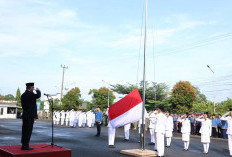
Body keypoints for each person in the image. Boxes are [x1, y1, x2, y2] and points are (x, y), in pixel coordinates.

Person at [21, 82, 41, 150]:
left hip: (25, 115)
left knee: (24, 130)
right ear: (30, 88)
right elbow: (38, 96)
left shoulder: (23, 95)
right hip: (30, 116)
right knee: (28, 130)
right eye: (33, 87)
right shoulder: (30, 94)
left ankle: (24, 144)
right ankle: (26, 145)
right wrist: (38, 91)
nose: (33, 89)